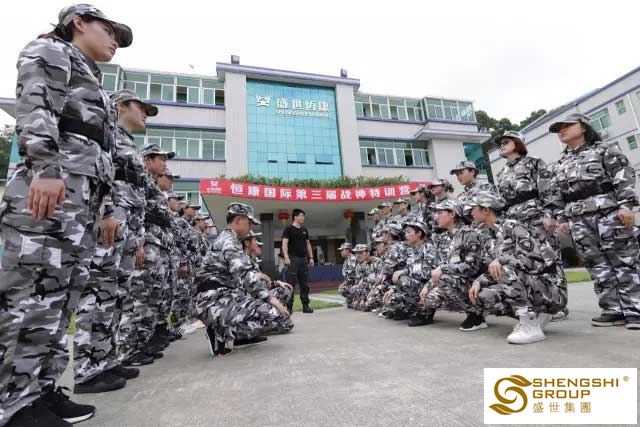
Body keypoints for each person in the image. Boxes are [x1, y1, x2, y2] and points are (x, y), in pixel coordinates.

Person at [0, 4, 132, 426]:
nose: (115, 41)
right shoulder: (51, 51)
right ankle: (10, 404)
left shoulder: (90, 76)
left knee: (60, 300)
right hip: (52, 193)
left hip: (81, 202)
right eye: (109, 31)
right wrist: (45, 168)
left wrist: (105, 206)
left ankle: (39, 392)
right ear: (79, 22)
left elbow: (103, 150)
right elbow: (35, 105)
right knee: (29, 297)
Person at [73, 89, 157, 394]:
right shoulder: (108, 133)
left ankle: (106, 359)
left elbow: (139, 195)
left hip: (128, 226)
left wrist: (139, 238)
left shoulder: (129, 143)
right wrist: (105, 211)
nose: (145, 113)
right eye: (140, 107)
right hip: (111, 222)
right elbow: (103, 174)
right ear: (120, 105)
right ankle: (86, 370)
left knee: (118, 294)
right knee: (98, 293)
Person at [545, 113, 640, 330]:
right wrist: (562, 218)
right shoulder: (560, 163)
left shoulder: (604, 150)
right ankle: (612, 309)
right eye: (559, 128)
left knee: (623, 259)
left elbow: (623, 176)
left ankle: (635, 308)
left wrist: (626, 205)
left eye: (567, 126)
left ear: (584, 127)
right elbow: (557, 193)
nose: (561, 130)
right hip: (578, 218)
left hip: (608, 212)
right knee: (596, 264)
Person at [468, 191, 564, 344]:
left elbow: (533, 262)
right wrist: (478, 281)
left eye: (473, 208)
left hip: (552, 290)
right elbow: (495, 269)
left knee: (504, 269)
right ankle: (537, 316)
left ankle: (530, 325)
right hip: (534, 286)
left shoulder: (514, 226)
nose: (470, 212)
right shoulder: (491, 235)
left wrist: (501, 259)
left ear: (485, 210)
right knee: (483, 295)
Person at [195, 203, 290, 356]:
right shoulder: (229, 242)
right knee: (273, 313)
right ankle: (219, 332)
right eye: (249, 222)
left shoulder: (230, 240)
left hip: (221, 297)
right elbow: (245, 275)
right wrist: (270, 299)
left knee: (271, 310)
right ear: (238, 220)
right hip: (212, 301)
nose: (250, 226)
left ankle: (237, 336)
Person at [493, 130, 568, 321]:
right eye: (500, 143)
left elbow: (548, 189)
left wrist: (550, 214)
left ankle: (558, 304)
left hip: (536, 217)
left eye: (506, 141)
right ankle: (538, 303)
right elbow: (502, 202)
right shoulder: (501, 173)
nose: (501, 145)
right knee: (525, 261)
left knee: (548, 260)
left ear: (518, 143)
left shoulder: (534, 162)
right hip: (514, 221)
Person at [123, 144, 174, 366]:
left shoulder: (149, 184)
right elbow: (139, 213)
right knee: (138, 299)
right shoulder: (141, 181)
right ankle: (128, 350)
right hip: (143, 243)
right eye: (161, 159)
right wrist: (139, 242)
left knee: (151, 298)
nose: (164, 165)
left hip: (155, 246)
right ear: (148, 160)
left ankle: (141, 344)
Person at [417, 200, 483, 328]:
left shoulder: (468, 234)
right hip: (454, 281)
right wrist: (427, 286)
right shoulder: (443, 238)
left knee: (444, 278)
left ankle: (476, 314)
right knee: (429, 298)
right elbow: (439, 267)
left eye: (440, 213)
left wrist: (444, 268)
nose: (436, 216)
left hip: (472, 282)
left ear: (452, 214)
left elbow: (472, 267)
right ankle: (432, 312)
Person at [382, 221, 434, 322]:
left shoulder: (428, 248)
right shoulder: (412, 251)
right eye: (405, 232)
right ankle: (410, 310)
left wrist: (405, 271)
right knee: (390, 306)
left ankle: (425, 312)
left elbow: (427, 273)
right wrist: (394, 288)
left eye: (409, 232)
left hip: (428, 286)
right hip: (416, 286)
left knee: (403, 279)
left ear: (419, 233)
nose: (406, 235)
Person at [242, 231, 294, 334]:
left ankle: (273, 315)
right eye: (254, 240)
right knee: (286, 323)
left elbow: (261, 284)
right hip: (246, 303)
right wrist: (272, 300)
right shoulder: (240, 261)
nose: (257, 243)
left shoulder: (250, 260)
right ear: (247, 243)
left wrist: (275, 283)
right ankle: (257, 325)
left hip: (258, 298)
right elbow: (249, 288)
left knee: (285, 289)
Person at [281, 209, 315, 314]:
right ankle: (289, 307)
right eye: (301, 216)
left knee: (304, 283)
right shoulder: (288, 229)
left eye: (303, 216)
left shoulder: (304, 230)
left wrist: (311, 257)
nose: (303, 218)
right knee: (291, 283)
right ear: (295, 217)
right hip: (293, 259)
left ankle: (305, 306)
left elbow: (308, 244)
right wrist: (286, 257)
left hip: (303, 259)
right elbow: (284, 243)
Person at [337, 243, 358, 308]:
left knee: (342, 289)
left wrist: (345, 283)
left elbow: (352, 275)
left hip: (355, 282)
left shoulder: (352, 259)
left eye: (342, 250)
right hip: (351, 282)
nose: (341, 252)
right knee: (343, 288)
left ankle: (355, 300)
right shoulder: (347, 259)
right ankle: (351, 300)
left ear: (347, 250)